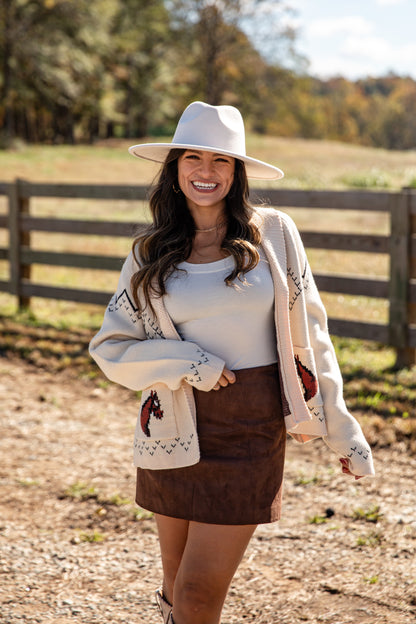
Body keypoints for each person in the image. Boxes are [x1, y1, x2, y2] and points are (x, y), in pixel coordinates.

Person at [89, 101, 375, 624]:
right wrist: (188, 361)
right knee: (176, 590)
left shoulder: (275, 236)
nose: (205, 171)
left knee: (199, 595)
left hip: (249, 429)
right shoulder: (150, 252)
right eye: (192, 157)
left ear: (237, 172)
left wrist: (342, 428)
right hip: (171, 429)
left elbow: (312, 333)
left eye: (220, 161)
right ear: (174, 169)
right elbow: (111, 349)